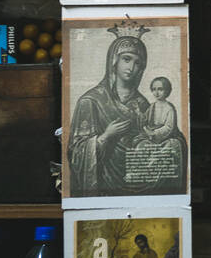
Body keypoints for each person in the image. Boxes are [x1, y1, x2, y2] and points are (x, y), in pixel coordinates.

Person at [67, 29, 186, 198]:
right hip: (105, 188)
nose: (131, 67)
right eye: (126, 59)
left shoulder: (144, 103)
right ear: (114, 61)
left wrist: (169, 142)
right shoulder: (91, 101)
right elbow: (75, 152)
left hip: (139, 180)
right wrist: (105, 136)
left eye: (138, 63)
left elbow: (163, 134)